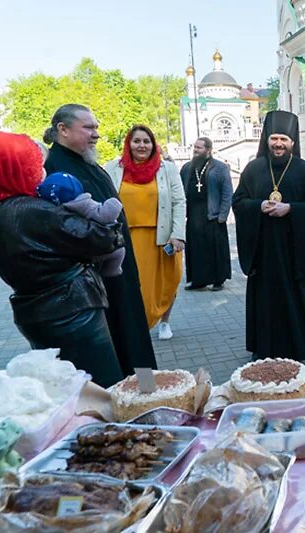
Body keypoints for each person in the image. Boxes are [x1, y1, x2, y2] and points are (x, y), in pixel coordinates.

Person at [0, 132, 124, 386]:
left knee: (66, 387)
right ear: (18, 168)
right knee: (100, 385)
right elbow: (104, 238)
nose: (41, 171)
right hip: (71, 309)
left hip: (37, 310)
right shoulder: (35, 210)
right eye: (34, 164)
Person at [43, 104, 157, 374]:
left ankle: (146, 393)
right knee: (112, 347)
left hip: (119, 272)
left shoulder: (87, 162)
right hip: (93, 279)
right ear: (63, 129)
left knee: (133, 337)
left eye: (96, 127)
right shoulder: (55, 169)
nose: (96, 134)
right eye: (88, 127)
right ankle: (122, 402)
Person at [232, 110, 305, 360]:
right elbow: (239, 201)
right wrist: (257, 206)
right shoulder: (253, 169)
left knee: (296, 296)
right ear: (267, 139)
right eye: (274, 138)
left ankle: (299, 345)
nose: (278, 144)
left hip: (294, 253)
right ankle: (263, 346)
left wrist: (291, 209)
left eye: (284, 139)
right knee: (265, 300)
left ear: (292, 142)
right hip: (264, 253)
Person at [104, 125, 186, 340]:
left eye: (146, 141)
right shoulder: (112, 167)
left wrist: (178, 233)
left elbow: (179, 201)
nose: (142, 145)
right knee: (134, 287)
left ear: (153, 144)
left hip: (161, 238)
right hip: (127, 239)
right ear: (128, 144)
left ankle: (164, 321)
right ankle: (136, 324)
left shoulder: (167, 169)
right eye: (137, 141)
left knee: (167, 282)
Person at [36, 172, 125, 276]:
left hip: (75, 257)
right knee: (119, 251)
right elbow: (105, 215)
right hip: (99, 246)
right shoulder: (84, 205)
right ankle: (111, 271)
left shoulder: (53, 212)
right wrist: (114, 203)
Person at [179, 137, 233, 291]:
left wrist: (223, 215)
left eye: (199, 148)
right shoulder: (187, 167)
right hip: (194, 216)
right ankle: (198, 280)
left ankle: (218, 280)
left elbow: (227, 192)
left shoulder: (220, 167)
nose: (195, 150)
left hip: (213, 215)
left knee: (215, 250)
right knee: (196, 250)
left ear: (208, 150)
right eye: (194, 147)